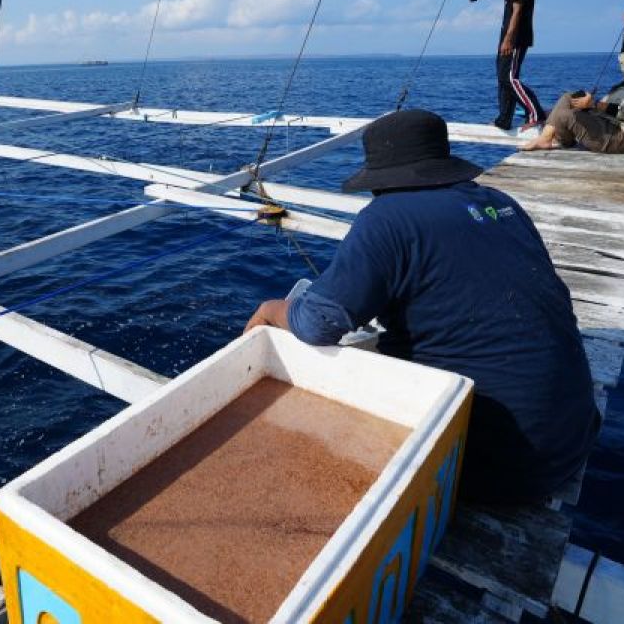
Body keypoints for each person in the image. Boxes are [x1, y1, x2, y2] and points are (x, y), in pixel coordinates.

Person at [244, 109, 599, 504]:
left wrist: (269, 310)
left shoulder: (386, 218)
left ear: (380, 180)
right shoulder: (502, 202)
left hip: (502, 465)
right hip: (573, 436)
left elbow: (317, 323)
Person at [521, 9, 624, 153]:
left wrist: (594, 104)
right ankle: (548, 138)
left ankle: (551, 138)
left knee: (564, 115)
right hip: (610, 126)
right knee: (569, 97)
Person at [492, 0, 545, 132]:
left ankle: (536, 115)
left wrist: (508, 39)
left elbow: (517, 12)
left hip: (515, 38)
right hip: (508, 37)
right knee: (503, 78)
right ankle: (504, 120)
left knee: (509, 78)